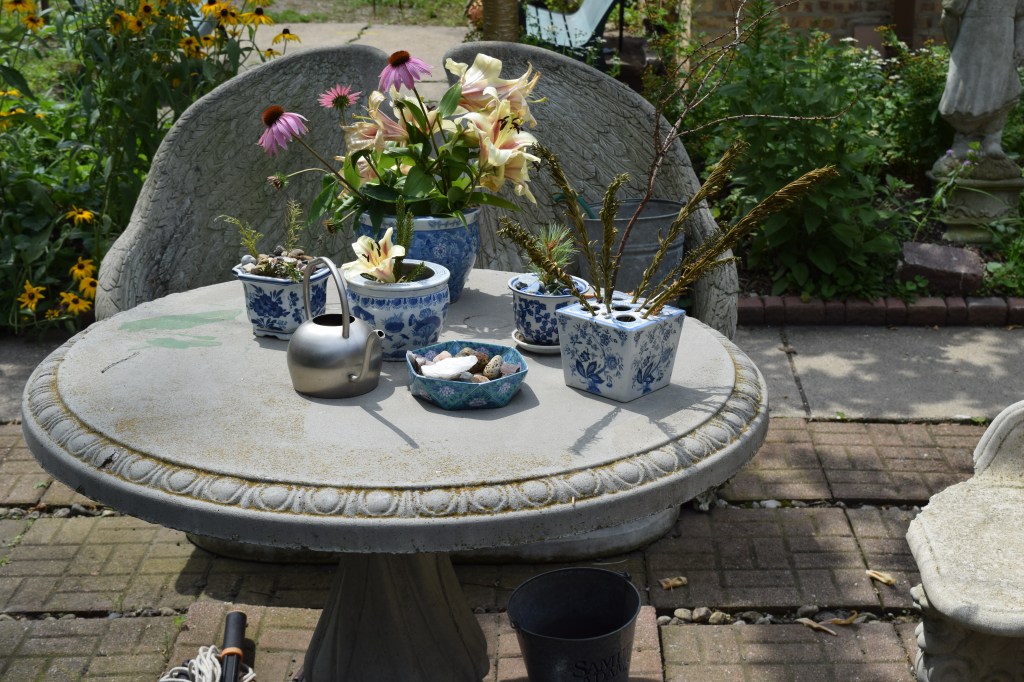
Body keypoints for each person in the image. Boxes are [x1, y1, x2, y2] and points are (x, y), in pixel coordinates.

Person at [938, 0, 1024, 160]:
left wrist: (1020, 43)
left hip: (1003, 46)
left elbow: (1021, 17)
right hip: (971, 44)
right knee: (965, 93)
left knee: (1002, 89)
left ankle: (993, 138)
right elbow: (948, 15)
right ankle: (964, 138)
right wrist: (955, 48)